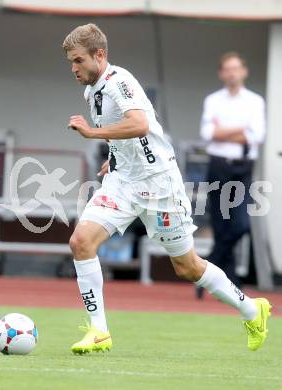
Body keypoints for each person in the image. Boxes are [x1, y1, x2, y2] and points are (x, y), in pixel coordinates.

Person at [62, 24, 270, 355]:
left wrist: (92, 135)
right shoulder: (93, 90)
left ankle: (250, 309)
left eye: (77, 61)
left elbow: (140, 124)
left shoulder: (120, 82)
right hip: (123, 182)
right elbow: (131, 132)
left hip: (160, 184)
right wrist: (114, 158)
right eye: (71, 62)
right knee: (80, 241)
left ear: (99, 55)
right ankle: (98, 331)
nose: (73, 68)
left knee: (186, 266)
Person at [199, 52, 266, 296]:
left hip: (242, 167)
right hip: (218, 166)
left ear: (244, 71)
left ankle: (209, 265)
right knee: (220, 224)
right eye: (227, 69)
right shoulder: (213, 100)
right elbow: (208, 134)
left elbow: (256, 136)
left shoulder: (255, 101)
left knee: (240, 224)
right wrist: (240, 129)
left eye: (236, 68)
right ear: (221, 73)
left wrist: (223, 130)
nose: (232, 73)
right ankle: (229, 283)